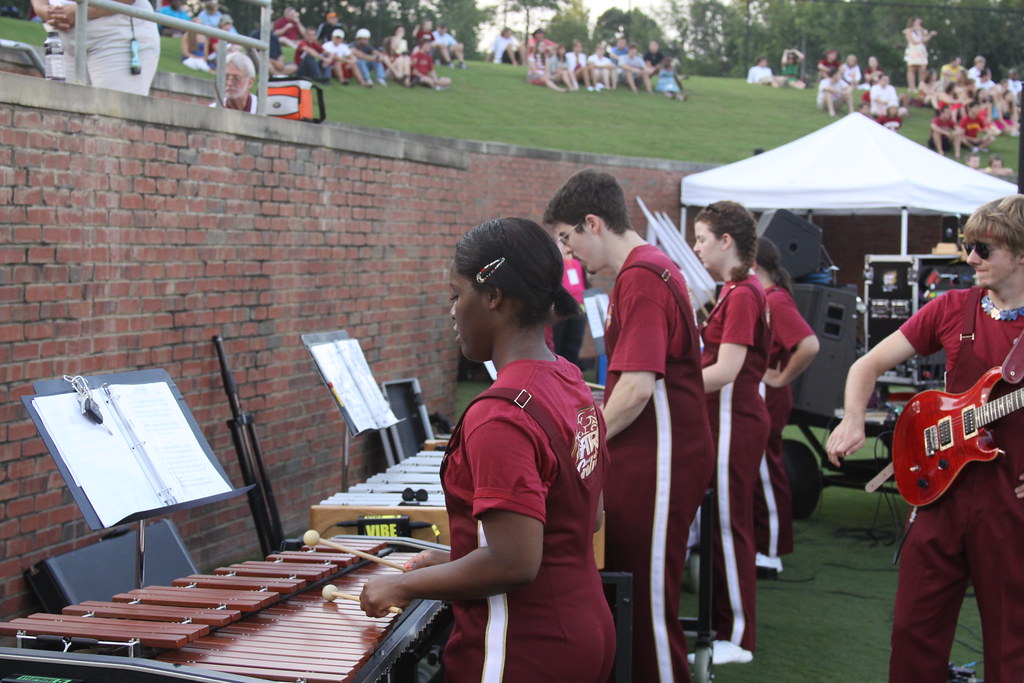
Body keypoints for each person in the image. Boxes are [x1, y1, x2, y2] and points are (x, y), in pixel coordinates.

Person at [359, 217, 616, 682]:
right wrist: (459, 558)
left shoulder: (500, 415)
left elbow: (514, 561)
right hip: (585, 630)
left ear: (494, 296)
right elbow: (585, 517)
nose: (452, 312)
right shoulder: (569, 382)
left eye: (456, 296)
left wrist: (401, 583)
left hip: (522, 647)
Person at [826, 195, 1024, 683]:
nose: (970, 258)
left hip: (1009, 498)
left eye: (984, 248)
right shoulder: (953, 307)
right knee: (914, 630)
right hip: (939, 490)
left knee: (1011, 640)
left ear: (1021, 254)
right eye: (968, 246)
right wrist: (854, 418)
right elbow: (867, 364)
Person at [545, 170, 715, 683]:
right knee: (634, 595)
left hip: (662, 460)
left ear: (592, 223)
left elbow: (639, 390)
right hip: (651, 457)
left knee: (648, 604)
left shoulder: (642, 275)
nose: (569, 254)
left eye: (567, 238)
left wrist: (576, 443)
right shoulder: (642, 272)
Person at [692, 200, 772, 665]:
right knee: (721, 524)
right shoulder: (735, 289)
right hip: (724, 419)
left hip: (732, 421)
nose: (697, 247)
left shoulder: (743, 293)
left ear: (727, 241)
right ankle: (728, 627)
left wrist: (669, 385)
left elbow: (726, 370)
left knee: (728, 526)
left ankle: (738, 637)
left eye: (702, 238)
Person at [752, 238, 819, 573]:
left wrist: (779, 378)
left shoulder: (774, 300)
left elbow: (808, 344)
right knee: (757, 468)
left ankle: (770, 550)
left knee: (766, 468)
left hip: (768, 396)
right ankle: (761, 543)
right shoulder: (764, 296)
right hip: (759, 394)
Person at [32, 0, 160, 96]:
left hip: (116, 36)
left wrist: (81, 10)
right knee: (62, 118)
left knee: (113, 119)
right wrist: (43, 9)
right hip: (63, 38)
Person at [551, 239, 586, 368]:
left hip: (579, 309)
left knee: (574, 342)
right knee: (558, 342)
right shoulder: (557, 264)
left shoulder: (578, 263)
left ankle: (572, 369)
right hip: (561, 310)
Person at [902, 16, 936, 91]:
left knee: (923, 69)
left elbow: (925, 39)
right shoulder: (909, 31)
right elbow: (912, 41)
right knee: (912, 69)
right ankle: (912, 87)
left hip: (921, 50)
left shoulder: (921, 31)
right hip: (913, 50)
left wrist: (929, 34)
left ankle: (921, 86)